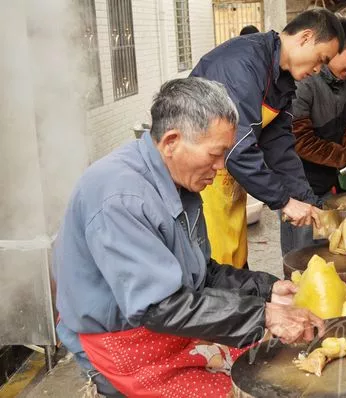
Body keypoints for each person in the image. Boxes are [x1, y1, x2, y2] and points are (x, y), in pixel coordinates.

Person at [52, 78, 325, 397]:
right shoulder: (121, 197)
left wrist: (268, 289)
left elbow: (200, 273)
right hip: (119, 338)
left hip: (163, 322)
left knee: (268, 362)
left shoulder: (179, 184)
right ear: (171, 142)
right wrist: (263, 315)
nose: (222, 167)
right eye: (216, 153)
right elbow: (160, 306)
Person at [190, 9, 344, 269]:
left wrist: (306, 199)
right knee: (213, 267)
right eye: (320, 59)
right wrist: (283, 201)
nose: (318, 70)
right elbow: (238, 147)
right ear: (305, 38)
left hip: (229, 182)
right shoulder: (243, 64)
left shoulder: (280, 79)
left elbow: (279, 145)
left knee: (235, 260)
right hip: (201, 181)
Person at [281, 17, 346, 254]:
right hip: (299, 184)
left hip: (326, 181)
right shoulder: (304, 81)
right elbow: (300, 140)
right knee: (301, 254)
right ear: (334, 50)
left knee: (323, 249)